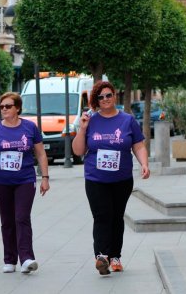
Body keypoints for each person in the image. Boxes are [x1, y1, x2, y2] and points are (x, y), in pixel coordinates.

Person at [72, 81, 150, 276]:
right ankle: (101, 256)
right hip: (95, 178)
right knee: (101, 216)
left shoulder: (127, 120)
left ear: (115, 96)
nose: (105, 99)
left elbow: (138, 145)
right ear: (95, 100)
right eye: (101, 97)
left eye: (108, 95)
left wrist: (144, 164)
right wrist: (82, 129)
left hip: (122, 178)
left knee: (116, 216)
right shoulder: (90, 120)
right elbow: (78, 150)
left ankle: (115, 257)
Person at [0, 92, 50, 275]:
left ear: (17, 108)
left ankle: (26, 258)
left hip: (25, 179)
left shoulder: (29, 127)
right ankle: (9, 259)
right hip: (1, 180)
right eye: (1, 107)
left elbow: (41, 153)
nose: (4, 109)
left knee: (22, 217)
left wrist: (45, 177)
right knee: (7, 220)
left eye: (8, 106)